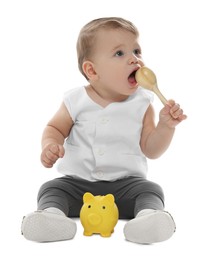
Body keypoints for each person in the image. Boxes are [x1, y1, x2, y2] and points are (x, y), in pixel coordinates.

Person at [21, 17, 187, 244]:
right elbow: (54, 128)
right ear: (92, 70)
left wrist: (166, 126)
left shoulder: (143, 102)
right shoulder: (75, 99)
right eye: (120, 53)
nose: (134, 60)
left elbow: (152, 149)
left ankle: (149, 219)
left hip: (126, 187)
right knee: (52, 188)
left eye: (137, 51)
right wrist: (51, 145)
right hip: (77, 186)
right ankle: (51, 217)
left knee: (151, 189)